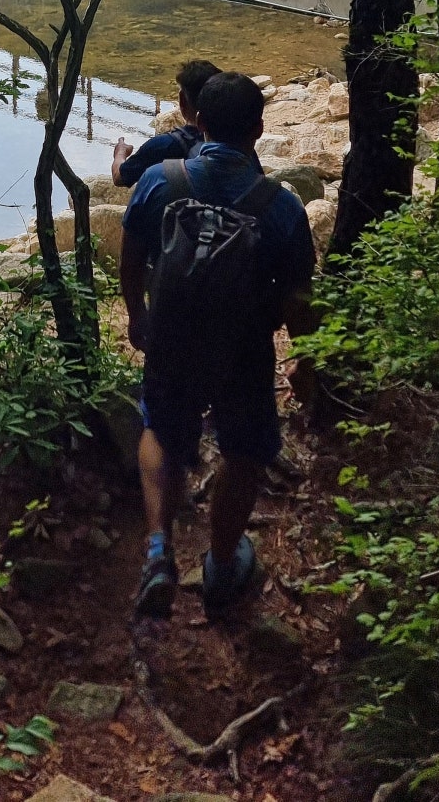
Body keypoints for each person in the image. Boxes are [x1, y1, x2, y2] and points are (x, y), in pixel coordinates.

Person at [118, 71, 316, 620]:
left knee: (160, 426)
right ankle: (224, 564)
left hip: (173, 334)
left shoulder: (160, 181)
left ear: (198, 121)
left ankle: (158, 551)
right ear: (258, 127)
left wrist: (138, 314)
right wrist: (308, 360)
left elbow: (132, 258)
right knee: (246, 451)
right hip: (245, 347)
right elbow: (299, 298)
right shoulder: (282, 207)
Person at [112, 59, 220, 187]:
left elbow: (119, 178)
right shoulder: (235, 138)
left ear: (182, 101)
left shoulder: (163, 146)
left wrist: (120, 152)